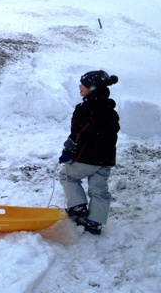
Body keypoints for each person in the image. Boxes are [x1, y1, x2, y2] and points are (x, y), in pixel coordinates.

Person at [58, 70, 120, 235]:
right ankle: (95, 222)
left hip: (87, 157)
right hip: (106, 159)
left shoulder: (86, 108)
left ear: (92, 88)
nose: (80, 86)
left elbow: (79, 133)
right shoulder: (110, 110)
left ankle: (77, 206)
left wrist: (69, 149)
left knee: (67, 176)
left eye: (83, 85)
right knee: (99, 189)